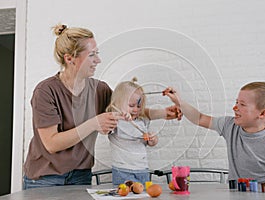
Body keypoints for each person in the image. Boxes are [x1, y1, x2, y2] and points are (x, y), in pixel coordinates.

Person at [23, 24, 180, 189]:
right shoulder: (46, 91)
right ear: (70, 59)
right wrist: (94, 123)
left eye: (97, 54)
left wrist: (163, 113)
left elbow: (128, 110)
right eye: (92, 55)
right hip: (45, 178)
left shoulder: (100, 89)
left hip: (80, 175)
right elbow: (52, 144)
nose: (98, 60)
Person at [164, 81, 265, 189]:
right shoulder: (230, 126)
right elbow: (199, 118)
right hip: (235, 194)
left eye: (242, 104)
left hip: (263, 195)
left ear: (263, 114)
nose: (235, 108)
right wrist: (179, 102)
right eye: (236, 102)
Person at [106, 77, 158, 186]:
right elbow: (104, 128)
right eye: (131, 106)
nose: (136, 109)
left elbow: (149, 143)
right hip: (122, 171)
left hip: (143, 170)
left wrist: (152, 140)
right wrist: (119, 116)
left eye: (139, 106)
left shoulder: (142, 121)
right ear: (118, 104)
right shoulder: (116, 122)